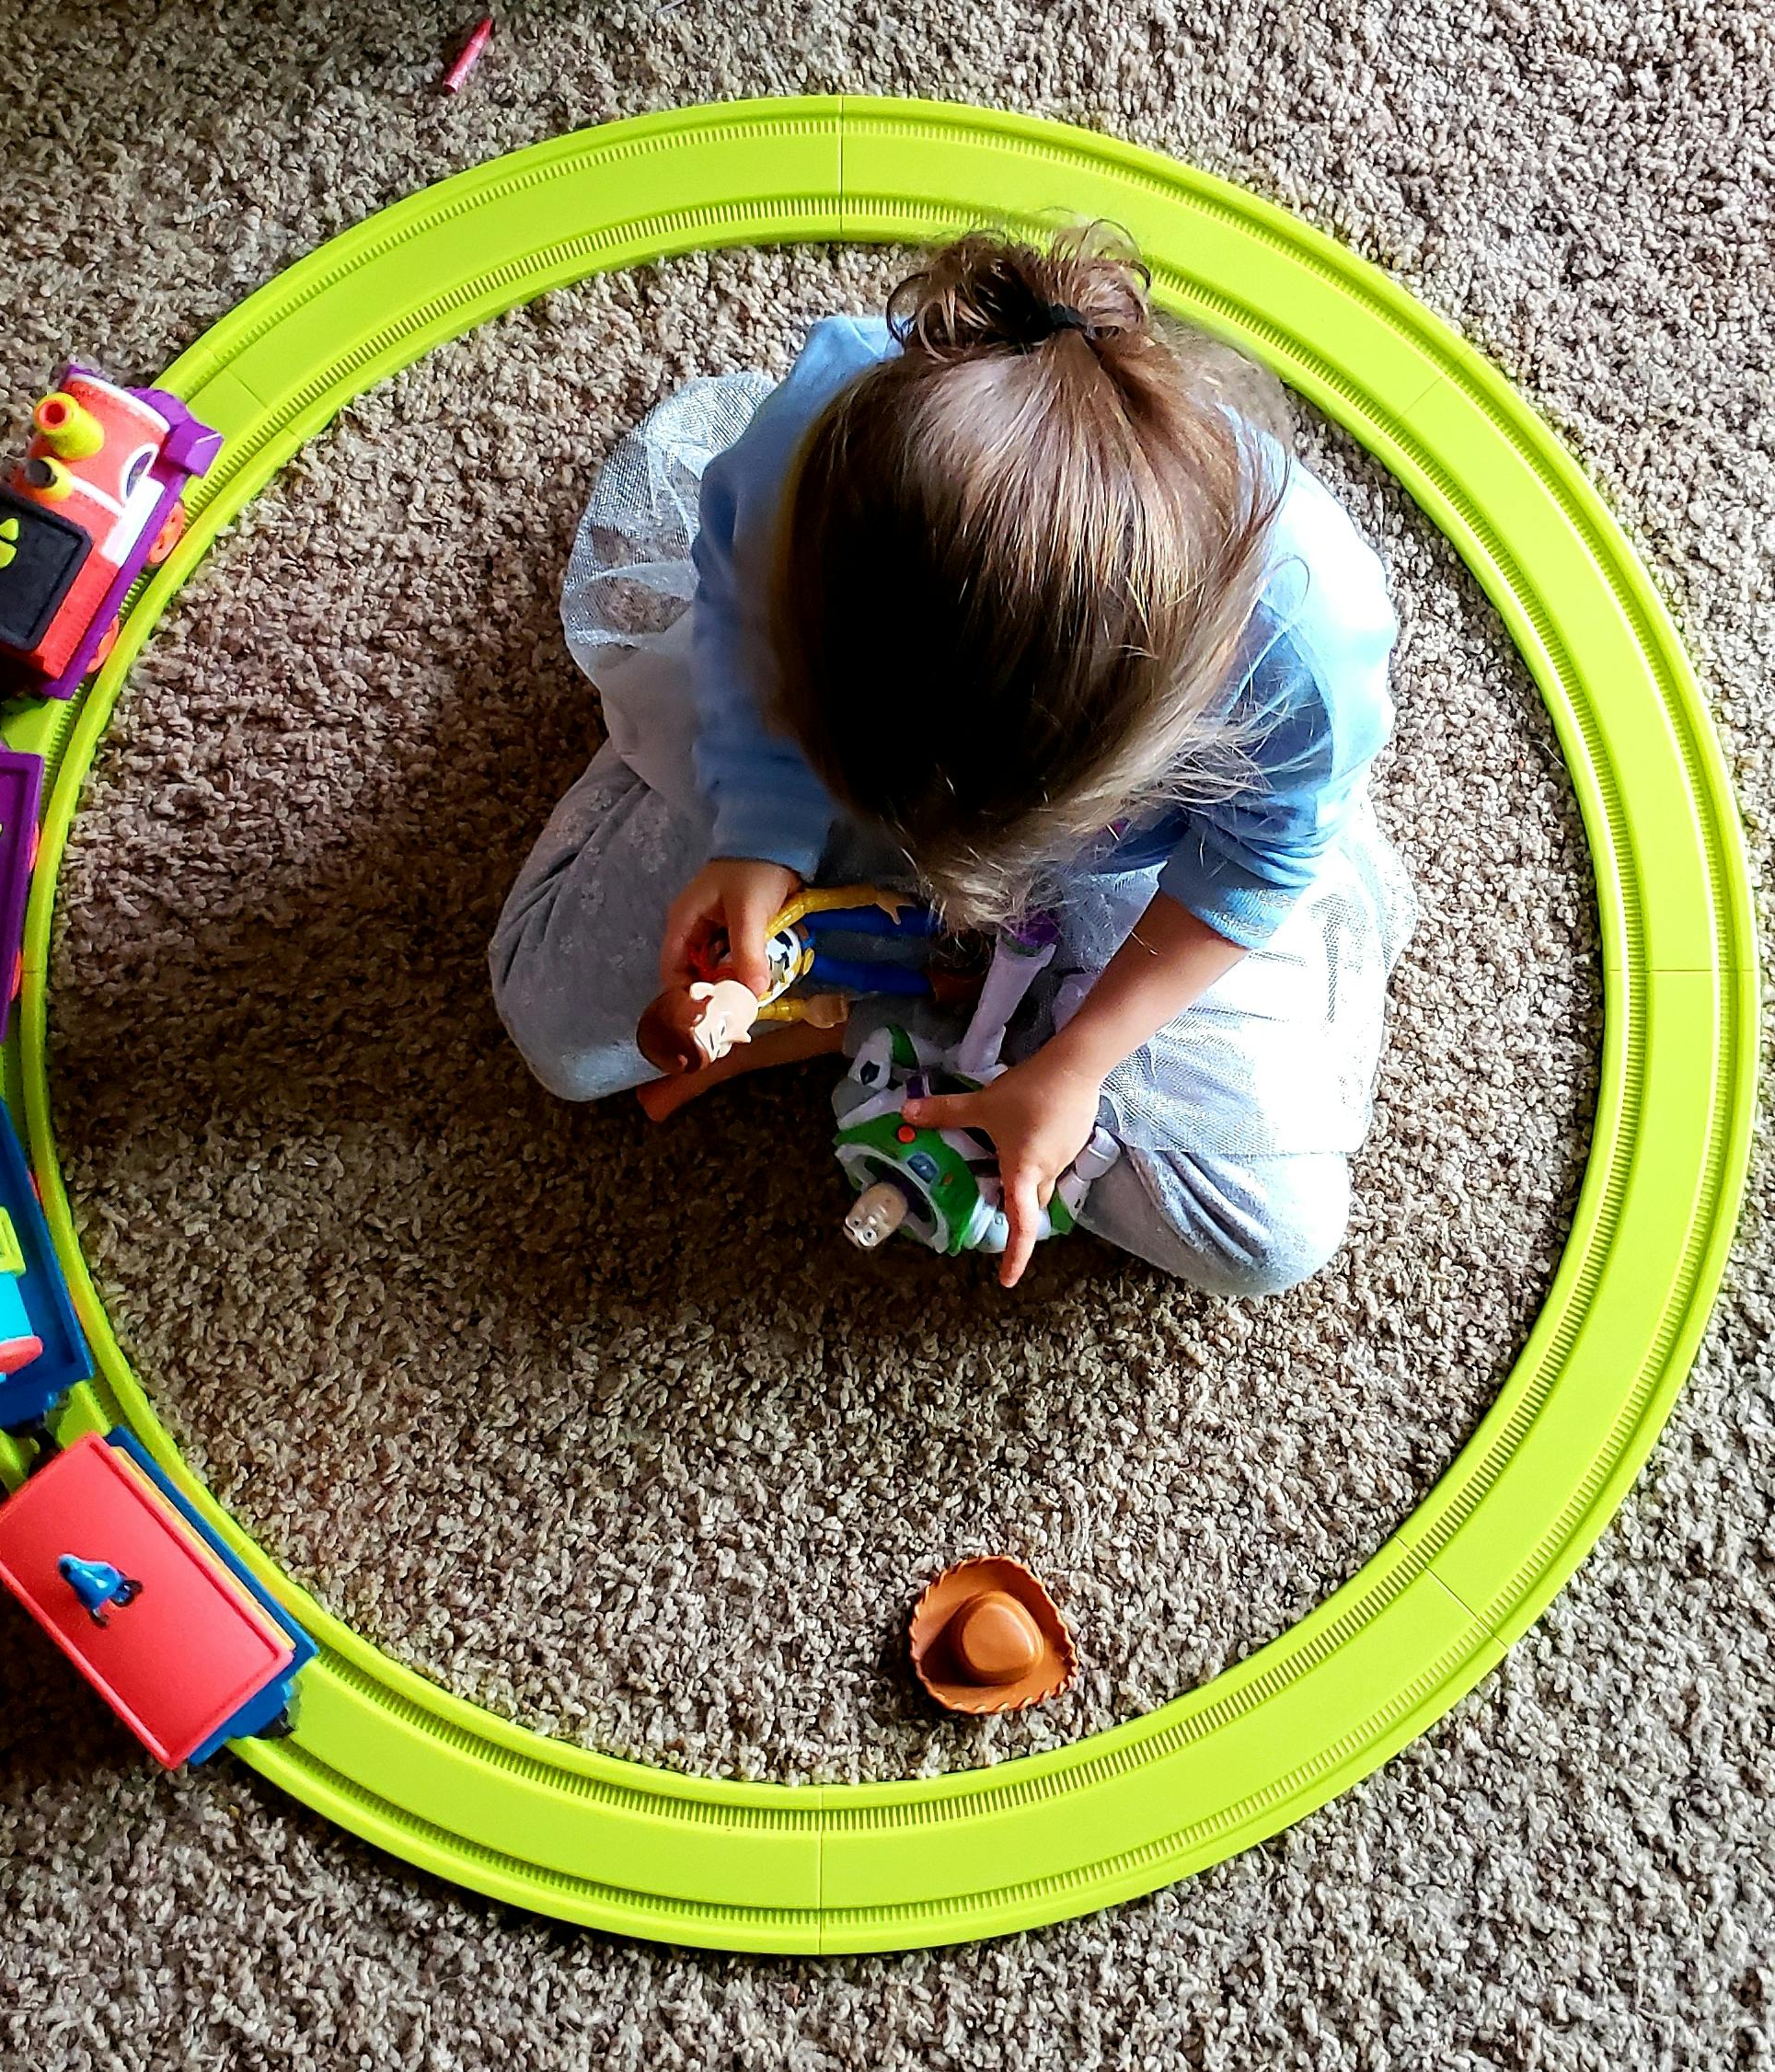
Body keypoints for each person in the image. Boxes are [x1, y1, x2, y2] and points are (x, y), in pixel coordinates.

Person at [491, 226, 1415, 1293]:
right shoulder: (808, 455)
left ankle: (925, 994)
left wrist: (1076, 1068)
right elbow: (745, 641)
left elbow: (1253, 864)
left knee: (1270, 1239)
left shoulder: (1302, 641)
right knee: (552, 1029)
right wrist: (758, 837)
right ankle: (930, 984)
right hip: (843, 757)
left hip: (1126, 866)